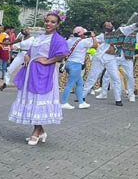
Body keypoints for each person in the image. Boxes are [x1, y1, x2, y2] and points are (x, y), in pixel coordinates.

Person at [9, 10, 70, 144]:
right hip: (31, 72)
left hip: (44, 73)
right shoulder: (40, 37)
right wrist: (27, 55)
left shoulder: (57, 39)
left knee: (39, 100)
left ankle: (36, 132)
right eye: (47, 21)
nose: (48, 24)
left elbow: (63, 53)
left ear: (57, 25)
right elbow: (32, 50)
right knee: (32, 100)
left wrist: (48, 61)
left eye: (53, 22)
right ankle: (40, 131)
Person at [82, 21, 137, 105]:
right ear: (104, 28)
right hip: (99, 58)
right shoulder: (103, 36)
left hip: (112, 59)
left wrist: (136, 24)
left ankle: (118, 100)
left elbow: (131, 27)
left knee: (116, 78)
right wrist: (79, 40)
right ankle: (82, 96)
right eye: (107, 24)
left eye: (110, 23)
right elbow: (89, 41)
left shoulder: (119, 32)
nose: (109, 24)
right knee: (93, 77)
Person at [97, 21, 138, 102]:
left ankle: (131, 94)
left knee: (130, 76)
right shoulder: (116, 34)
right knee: (106, 75)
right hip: (115, 57)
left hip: (127, 57)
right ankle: (103, 93)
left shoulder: (135, 35)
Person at [60, 26, 97, 109]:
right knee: (70, 84)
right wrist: (93, 36)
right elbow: (95, 45)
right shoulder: (83, 42)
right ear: (82, 34)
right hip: (76, 64)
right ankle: (63, 102)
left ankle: (81, 102)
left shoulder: (69, 41)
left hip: (68, 63)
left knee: (79, 83)